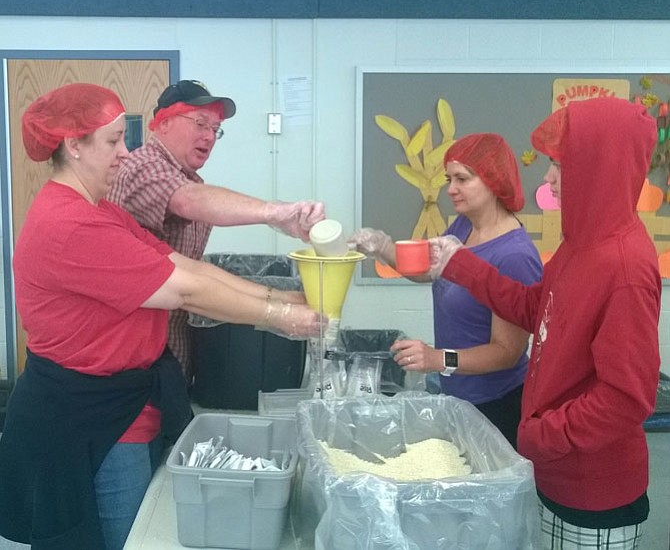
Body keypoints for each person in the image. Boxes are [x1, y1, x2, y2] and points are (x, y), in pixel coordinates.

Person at [0, 83, 325, 550]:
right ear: (73, 146)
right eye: (112, 141)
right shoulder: (70, 223)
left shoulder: (103, 211)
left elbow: (185, 266)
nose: (123, 153)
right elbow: (185, 291)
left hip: (129, 399)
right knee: (125, 539)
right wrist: (277, 316)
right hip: (88, 413)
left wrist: (282, 297)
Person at [430, 98, 660, 549]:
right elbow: (538, 309)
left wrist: (540, 434)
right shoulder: (579, 244)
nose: (548, 178)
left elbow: (627, 399)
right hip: (555, 471)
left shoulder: (624, 267)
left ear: (600, 167)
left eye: (559, 165)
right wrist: (462, 265)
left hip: (594, 490)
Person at [107, 79, 325, 382]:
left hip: (170, 349)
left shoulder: (188, 179)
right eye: (200, 123)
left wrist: (283, 298)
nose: (209, 136)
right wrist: (276, 213)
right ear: (163, 123)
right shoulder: (143, 167)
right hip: (136, 356)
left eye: (215, 129)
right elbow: (187, 201)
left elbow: (194, 269)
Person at [351, 133, 543, 448]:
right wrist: (383, 247)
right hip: (458, 395)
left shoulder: (514, 256)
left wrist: (437, 358)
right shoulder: (463, 227)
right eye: (448, 178)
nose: (450, 189)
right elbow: (428, 271)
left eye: (462, 179)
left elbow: (506, 353)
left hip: (496, 405)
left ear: (494, 181)